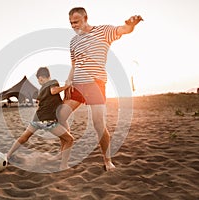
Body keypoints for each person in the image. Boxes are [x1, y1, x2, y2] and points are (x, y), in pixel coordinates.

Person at [58, 7, 143, 171]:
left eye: (76, 21)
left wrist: (131, 25)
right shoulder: (73, 42)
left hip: (95, 84)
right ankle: (66, 148)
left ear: (85, 18)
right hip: (76, 84)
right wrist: (68, 80)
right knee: (60, 116)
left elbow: (123, 30)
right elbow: (74, 65)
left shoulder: (103, 31)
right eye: (71, 23)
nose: (74, 25)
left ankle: (107, 160)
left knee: (98, 124)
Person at [7, 67, 74, 170]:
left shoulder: (42, 89)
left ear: (41, 78)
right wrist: (66, 86)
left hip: (36, 119)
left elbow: (39, 104)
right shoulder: (53, 82)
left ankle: (8, 154)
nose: (39, 82)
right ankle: (63, 165)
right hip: (48, 121)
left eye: (38, 80)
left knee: (24, 137)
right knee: (69, 139)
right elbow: (53, 91)